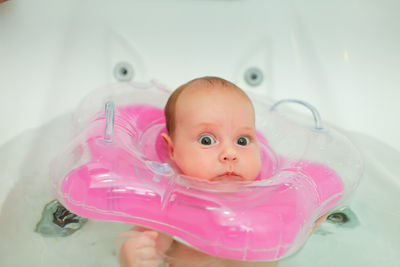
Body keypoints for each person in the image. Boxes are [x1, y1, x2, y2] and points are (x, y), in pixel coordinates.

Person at [118, 77, 326, 267]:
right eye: (206, 140)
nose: (230, 153)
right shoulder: (172, 200)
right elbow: (148, 238)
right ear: (172, 150)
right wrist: (136, 252)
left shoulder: (275, 196)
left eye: (242, 140)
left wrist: (313, 216)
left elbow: (300, 222)